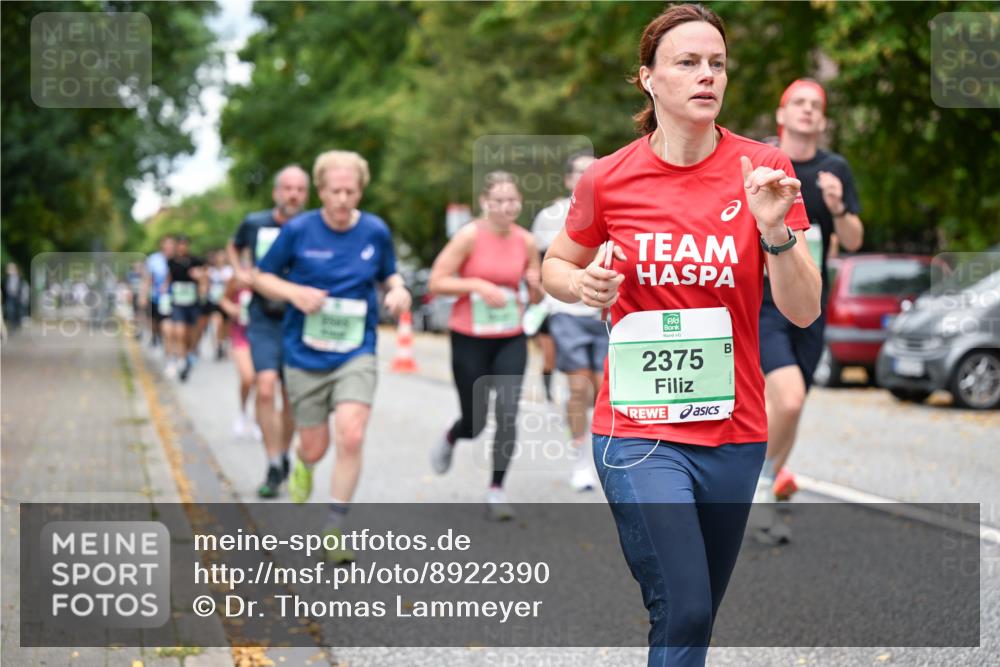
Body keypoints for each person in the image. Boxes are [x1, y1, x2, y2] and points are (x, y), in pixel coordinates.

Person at [540, 5, 820, 665]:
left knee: (693, 618)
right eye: (687, 63)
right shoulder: (608, 178)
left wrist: (774, 229)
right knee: (686, 604)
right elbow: (554, 264)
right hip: (638, 430)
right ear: (648, 79)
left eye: (716, 63)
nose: (706, 76)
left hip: (733, 431)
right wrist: (583, 287)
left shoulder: (763, 169)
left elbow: (804, 310)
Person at [254, 150, 410, 561]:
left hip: (356, 349)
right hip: (304, 352)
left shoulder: (374, 230)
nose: (343, 199)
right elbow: (261, 276)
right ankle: (303, 464)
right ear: (320, 191)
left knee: (352, 433)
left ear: (360, 190)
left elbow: (389, 272)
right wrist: (294, 293)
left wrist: (397, 288)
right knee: (315, 447)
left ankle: (335, 526)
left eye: (351, 191)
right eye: (335, 191)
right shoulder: (299, 230)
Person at [755, 79, 864, 520]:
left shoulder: (834, 168)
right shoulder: (761, 161)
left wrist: (838, 208)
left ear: (821, 119)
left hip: (809, 303)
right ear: (781, 116)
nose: (807, 110)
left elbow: (854, 241)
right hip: (762, 300)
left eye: (815, 105)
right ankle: (758, 479)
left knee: (790, 406)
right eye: (798, 102)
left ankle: (767, 482)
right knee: (790, 398)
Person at [428, 171, 545, 521]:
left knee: (508, 414)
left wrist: (535, 286)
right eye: (498, 201)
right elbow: (437, 281)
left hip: (510, 336)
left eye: (512, 201)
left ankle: (496, 488)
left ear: (520, 203)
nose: (505, 208)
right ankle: (454, 434)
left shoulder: (526, 241)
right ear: (484, 203)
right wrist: (477, 284)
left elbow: (537, 294)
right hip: (470, 338)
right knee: (475, 420)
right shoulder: (469, 236)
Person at [228, 165, 310, 498]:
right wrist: (240, 271)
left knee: (291, 396)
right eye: (287, 188)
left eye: (300, 189)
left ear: (307, 194)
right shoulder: (255, 223)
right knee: (264, 387)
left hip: (299, 319)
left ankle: (284, 454)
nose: (293, 194)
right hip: (263, 316)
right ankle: (273, 461)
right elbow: (234, 246)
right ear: (277, 192)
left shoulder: (312, 227)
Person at [533, 152, 608, 491]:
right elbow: (542, 267)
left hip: (604, 313)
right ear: (567, 180)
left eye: (592, 171)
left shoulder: (613, 209)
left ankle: (598, 450)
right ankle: (580, 462)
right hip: (567, 313)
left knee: (601, 389)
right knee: (578, 388)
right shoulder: (551, 217)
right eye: (579, 172)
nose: (585, 177)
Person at [219, 277, 260, 441]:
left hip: (263, 335)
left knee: (261, 381)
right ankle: (243, 412)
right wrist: (232, 309)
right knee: (248, 378)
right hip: (241, 335)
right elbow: (223, 299)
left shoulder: (273, 272)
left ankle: (259, 420)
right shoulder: (238, 277)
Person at [163, 235, 206, 382]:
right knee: (179, 331)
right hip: (177, 302)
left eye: (184, 245)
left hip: (192, 302)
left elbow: (205, 276)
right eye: (179, 245)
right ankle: (181, 359)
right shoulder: (171, 262)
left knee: (191, 332)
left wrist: (200, 278)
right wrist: (164, 291)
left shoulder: (195, 261)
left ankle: (191, 352)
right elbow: (169, 278)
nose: (182, 248)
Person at [142, 235, 175, 349]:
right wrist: (143, 296)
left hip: (174, 299)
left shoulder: (177, 259)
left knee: (168, 326)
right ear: (161, 245)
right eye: (167, 243)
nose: (169, 246)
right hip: (157, 298)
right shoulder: (153, 259)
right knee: (155, 322)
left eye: (171, 243)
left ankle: (171, 351)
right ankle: (156, 335)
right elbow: (147, 279)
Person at [205, 250, 234, 360]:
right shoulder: (211, 271)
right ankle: (217, 346)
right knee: (217, 323)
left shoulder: (229, 271)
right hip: (214, 301)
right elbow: (206, 284)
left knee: (225, 326)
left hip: (226, 301)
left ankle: (223, 343)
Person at [2, 263, 26, 333]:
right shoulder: (6, 279)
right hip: (9, 297)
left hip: (17, 297)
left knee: (17, 311)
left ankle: (17, 324)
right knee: (10, 310)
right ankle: (12, 325)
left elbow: (21, 288)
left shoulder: (19, 278)